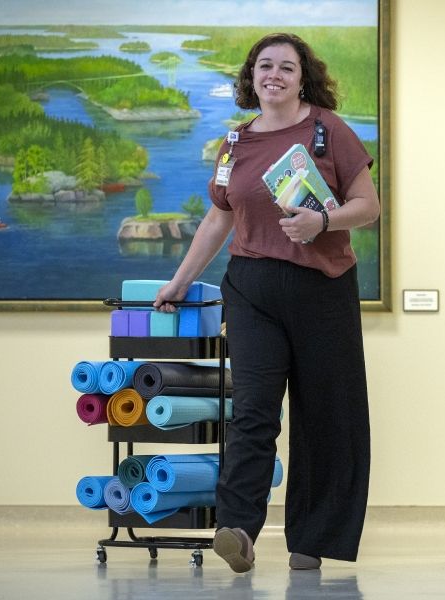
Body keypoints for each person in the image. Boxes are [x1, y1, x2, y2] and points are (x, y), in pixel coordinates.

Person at [153, 32, 379, 573]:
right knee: (252, 410)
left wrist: (321, 220)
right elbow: (219, 218)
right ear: (252, 77)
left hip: (322, 288)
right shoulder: (235, 143)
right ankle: (237, 530)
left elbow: (368, 206)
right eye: (264, 66)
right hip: (251, 289)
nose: (273, 74)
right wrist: (181, 280)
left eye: (286, 67)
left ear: (304, 78)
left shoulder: (329, 131)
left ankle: (313, 538)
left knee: (327, 415)